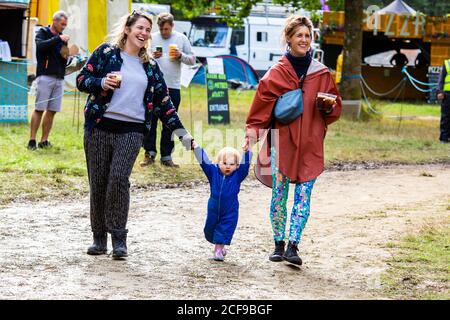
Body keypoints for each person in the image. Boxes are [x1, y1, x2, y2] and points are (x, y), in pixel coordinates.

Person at [76, 11, 194, 259]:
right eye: (140, 28)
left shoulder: (150, 66)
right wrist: (101, 83)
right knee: (98, 184)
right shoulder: (106, 53)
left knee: (118, 179)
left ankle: (119, 239)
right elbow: (81, 79)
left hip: (131, 131)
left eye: (147, 30)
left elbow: (165, 104)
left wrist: (184, 136)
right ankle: (99, 239)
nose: (144, 33)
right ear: (128, 29)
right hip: (99, 127)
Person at [242, 15, 341, 265]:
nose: (304, 40)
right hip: (281, 143)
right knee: (279, 195)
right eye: (299, 35)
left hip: (310, 143)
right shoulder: (276, 73)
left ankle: (293, 246)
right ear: (289, 38)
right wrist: (251, 136)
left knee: (303, 197)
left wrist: (329, 107)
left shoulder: (321, 73)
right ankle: (278, 243)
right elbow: (260, 108)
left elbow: (335, 105)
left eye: (308, 36)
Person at [140, 12, 196, 168]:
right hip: (153, 86)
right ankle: (149, 153)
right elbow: (140, 56)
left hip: (173, 86)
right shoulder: (152, 37)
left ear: (172, 26)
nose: (164, 32)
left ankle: (166, 156)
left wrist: (180, 55)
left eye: (167, 29)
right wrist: (151, 55)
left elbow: (192, 60)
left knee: (169, 122)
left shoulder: (181, 38)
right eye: (162, 29)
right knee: (150, 120)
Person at [193, 142, 252, 261]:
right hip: (213, 208)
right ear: (218, 163)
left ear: (237, 165)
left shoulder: (237, 176)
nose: (228, 166)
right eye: (224, 163)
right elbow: (204, 162)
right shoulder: (213, 172)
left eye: (232, 164)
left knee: (224, 228)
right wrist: (197, 149)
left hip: (230, 210)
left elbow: (245, 167)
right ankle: (219, 246)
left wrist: (247, 152)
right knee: (210, 229)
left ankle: (218, 249)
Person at [28, 11, 69, 150]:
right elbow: (41, 47)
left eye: (65, 25)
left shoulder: (62, 38)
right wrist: (59, 39)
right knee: (39, 109)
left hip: (59, 78)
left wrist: (70, 57)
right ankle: (32, 140)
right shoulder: (42, 32)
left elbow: (64, 56)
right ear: (55, 21)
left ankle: (44, 140)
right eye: (62, 24)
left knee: (52, 111)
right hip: (45, 76)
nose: (64, 27)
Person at [437, 58, 450, 143]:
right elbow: (441, 80)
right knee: (446, 117)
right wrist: (440, 92)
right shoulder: (447, 63)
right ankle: (444, 138)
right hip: (447, 94)